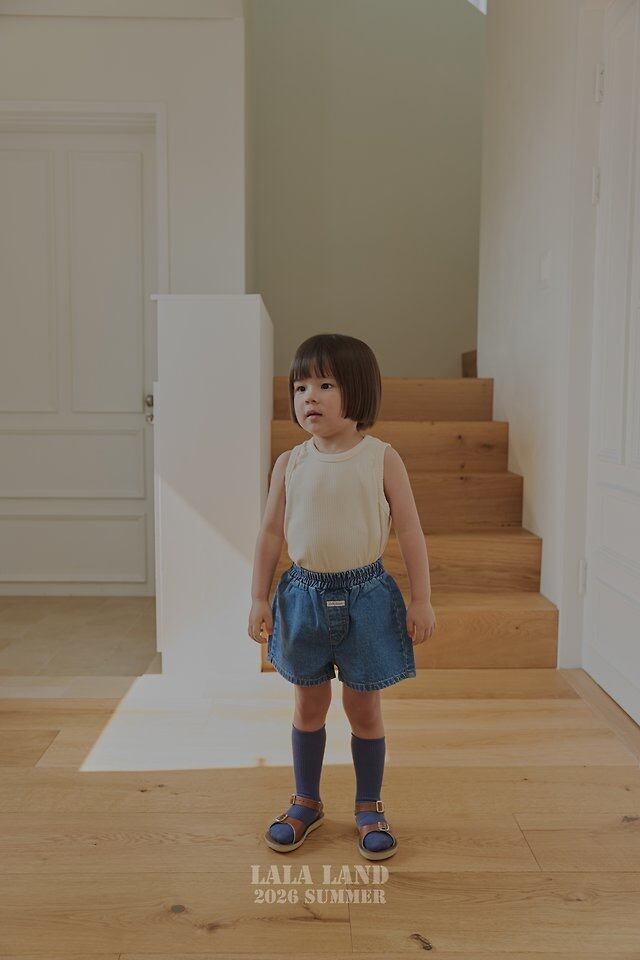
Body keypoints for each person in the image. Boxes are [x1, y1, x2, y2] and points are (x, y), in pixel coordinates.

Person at [248, 333, 436, 860]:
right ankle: (306, 800)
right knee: (308, 703)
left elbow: (410, 532)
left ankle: (369, 805)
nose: (310, 396)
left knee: (363, 706)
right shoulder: (290, 463)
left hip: (366, 596)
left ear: (358, 392)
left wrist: (422, 599)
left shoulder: (381, 458)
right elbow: (270, 534)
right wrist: (258, 597)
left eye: (326, 385)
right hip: (302, 597)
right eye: (300, 386)